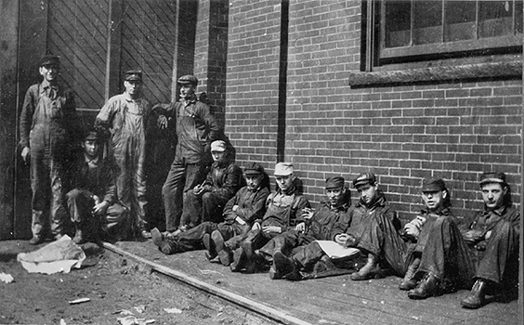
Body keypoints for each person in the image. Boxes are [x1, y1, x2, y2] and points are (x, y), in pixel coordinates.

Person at [270, 173, 399, 281]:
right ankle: (287, 266)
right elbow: (339, 226)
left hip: (364, 254)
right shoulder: (355, 209)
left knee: (318, 248)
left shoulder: (386, 212)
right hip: (346, 248)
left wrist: (354, 241)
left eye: (366, 189)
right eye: (360, 191)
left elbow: (381, 240)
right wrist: (338, 236)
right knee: (314, 248)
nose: (363, 194)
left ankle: (291, 265)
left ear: (376, 186)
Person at [19, 55, 82, 245]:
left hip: (58, 150)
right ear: (41, 71)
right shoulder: (34, 91)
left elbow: (73, 123)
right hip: (37, 147)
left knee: (58, 190)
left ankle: (57, 231)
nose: (51, 71)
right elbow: (24, 120)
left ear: (58, 71)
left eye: (54, 68)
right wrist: (24, 145)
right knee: (38, 188)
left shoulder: (66, 94)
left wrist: (71, 147)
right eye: (47, 68)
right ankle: (37, 231)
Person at [150, 162, 270, 255]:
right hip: (230, 224)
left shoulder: (263, 193)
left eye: (254, 178)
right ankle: (171, 244)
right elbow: (227, 208)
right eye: (248, 178)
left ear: (261, 177)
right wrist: (235, 215)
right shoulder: (242, 190)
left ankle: (172, 241)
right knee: (206, 227)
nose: (250, 181)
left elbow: (251, 214)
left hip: (241, 230)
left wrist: (236, 209)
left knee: (206, 237)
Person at [154, 75, 220, 235]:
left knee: (188, 193)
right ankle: (170, 227)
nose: (182, 90)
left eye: (186, 86)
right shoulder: (178, 106)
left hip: (195, 156)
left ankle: (185, 228)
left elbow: (215, 127)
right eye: (181, 86)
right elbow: (157, 107)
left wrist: (204, 146)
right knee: (167, 189)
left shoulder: (201, 107)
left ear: (194, 88)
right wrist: (161, 115)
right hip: (180, 155)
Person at [94, 70, 152, 239]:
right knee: (121, 187)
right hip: (120, 151)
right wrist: (113, 137)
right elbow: (99, 123)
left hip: (139, 151)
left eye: (137, 83)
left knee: (140, 186)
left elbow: (148, 125)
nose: (134, 86)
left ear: (140, 85)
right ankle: (124, 228)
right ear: (125, 84)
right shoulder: (116, 101)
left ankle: (141, 226)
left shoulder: (145, 105)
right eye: (130, 83)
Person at [260, 176, 352, 279]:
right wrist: (304, 222)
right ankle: (266, 256)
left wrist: (313, 219)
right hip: (308, 236)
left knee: (307, 249)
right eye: (329, 192)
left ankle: (285, 266)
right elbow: (311, 224)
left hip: (322, 243)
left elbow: (330, 235)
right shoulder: (323, 207)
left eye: (336, 191)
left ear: (343, 190)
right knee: (289, 235)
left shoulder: (345, 213)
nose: (332, 196)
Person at [226, 163, 311, 273]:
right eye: (279, 179)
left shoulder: (299, 200)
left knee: (253, 238)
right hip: (264, 230)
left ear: (292, 177)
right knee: (252, 234)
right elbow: (262, 215)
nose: (282, 182)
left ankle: (245, 258)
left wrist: (279, 229)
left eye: (285, 178)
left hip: (279, 234)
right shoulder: (271, 197)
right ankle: (231, 250)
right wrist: (258, 221)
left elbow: (299, 231)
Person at [459, 172, 520, 309]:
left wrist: (477, 236)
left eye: (495, 191)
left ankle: (480, 288)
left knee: (505, 226)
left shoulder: (514, 217)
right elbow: (458, 233)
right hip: (470, 269)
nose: (490, 196)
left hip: (496, 278)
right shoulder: (475, 216)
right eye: (485, 192)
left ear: (504, 191)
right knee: (446, 223)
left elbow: (514, 239)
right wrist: (484, 234)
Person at [403, 179, 469, 299]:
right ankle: (415, 273)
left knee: (435, 220)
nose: (429, 197)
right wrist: (409, 230)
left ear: (443, 194)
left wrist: (419, 235)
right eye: (426, 194)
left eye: (433, 193)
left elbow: (462, 241)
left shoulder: (450, 220)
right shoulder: (421, 216)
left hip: (445, 270)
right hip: (412, 256)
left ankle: (414, 273)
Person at [65, 129, 127, 243]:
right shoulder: (77, 163)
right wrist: (92, 197)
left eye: (96, 144)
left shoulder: (104, 164)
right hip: (83, 206)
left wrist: (105, 203)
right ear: (83, 144)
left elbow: (111, 186)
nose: (93, 148)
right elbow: (75, 186)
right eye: (89, 143)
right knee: (72, 195)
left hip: (100, 206)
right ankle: (79, 230)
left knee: (121, 212)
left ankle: (100, 231)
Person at [178, 140, 243, 231]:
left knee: (207, 196)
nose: (216, 156)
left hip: (226, 201)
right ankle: (194, 225)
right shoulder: (214, 166)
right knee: (191, 193)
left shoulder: (232, 169)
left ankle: (205, 226)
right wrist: (200, 187)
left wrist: (208, 188)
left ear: (226, 153)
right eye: (214, 153)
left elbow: (229, 192)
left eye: (219, 153)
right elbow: (208, 181)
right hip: (214, 196)